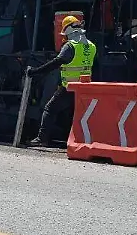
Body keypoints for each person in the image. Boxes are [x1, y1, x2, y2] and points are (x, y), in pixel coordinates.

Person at [26, 15, 97, 145]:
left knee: (49, 109)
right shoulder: (92, 46)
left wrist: (36, 72)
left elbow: (57, 62)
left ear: (68, 30)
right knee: (75, 115)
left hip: (69, 87)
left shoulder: (70, 46)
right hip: (85, 89)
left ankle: (42, 139)